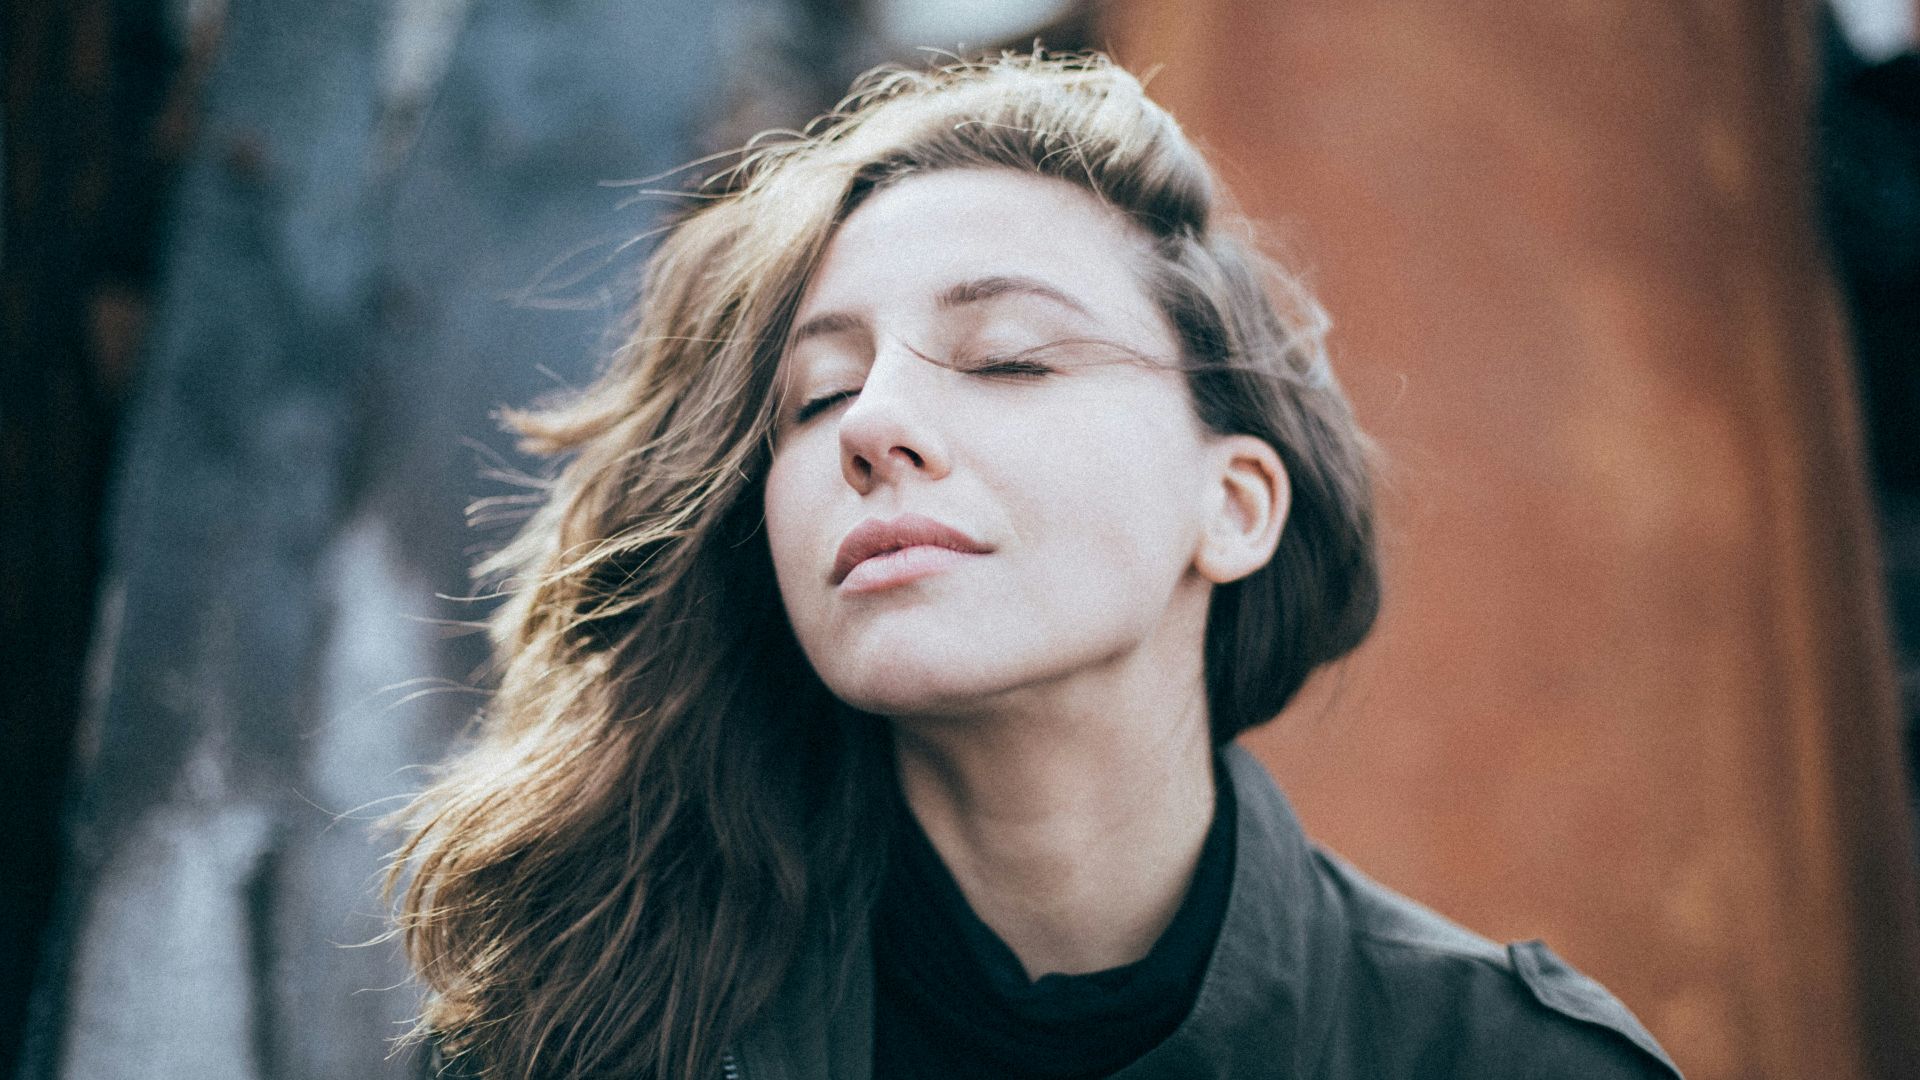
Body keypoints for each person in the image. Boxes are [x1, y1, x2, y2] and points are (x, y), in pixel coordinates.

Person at [389, 52, 1683, 1080]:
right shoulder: (567, 1037)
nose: (876, 425)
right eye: (817, 396)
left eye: (1010, 356)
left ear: (1231, 505)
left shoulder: (1505, 1062)